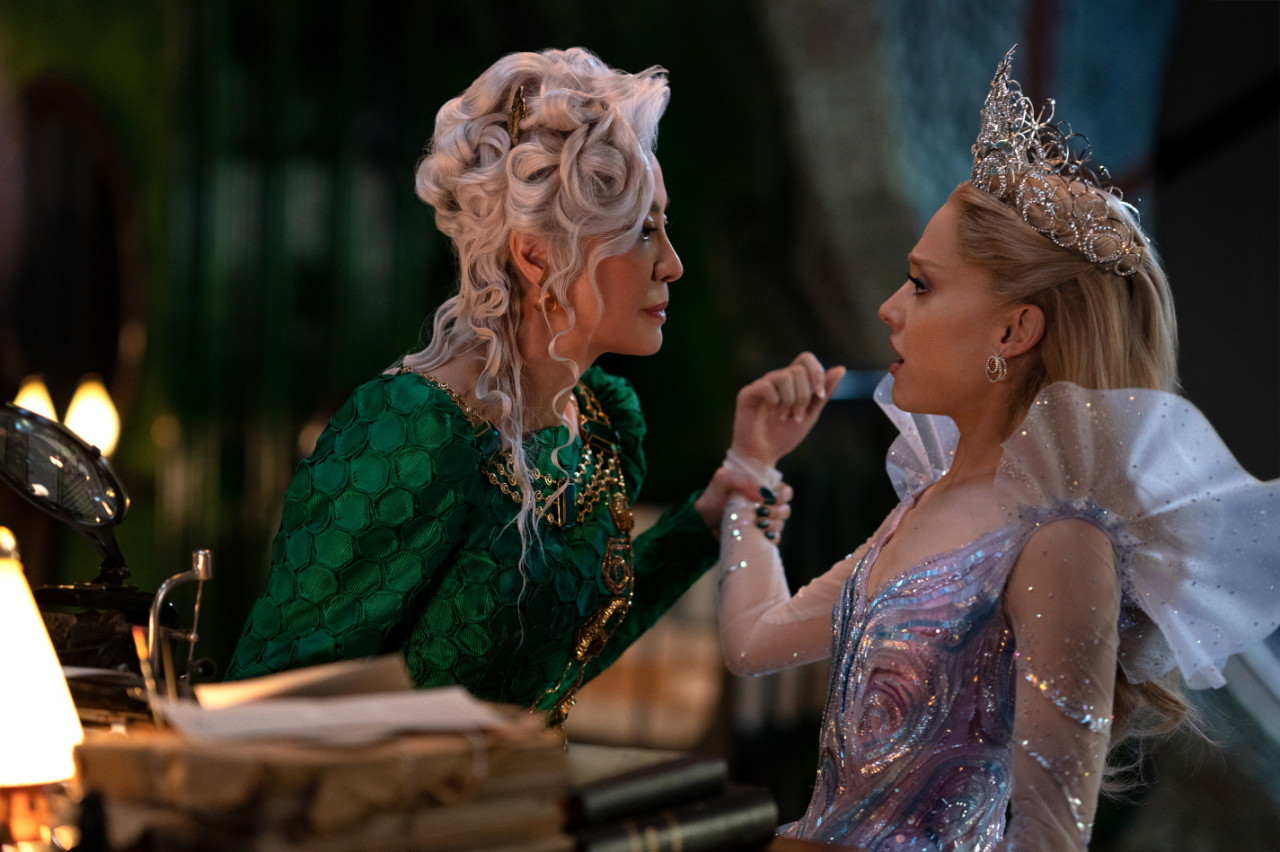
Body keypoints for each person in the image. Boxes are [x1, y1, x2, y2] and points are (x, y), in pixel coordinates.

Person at [715, 48, 1280, 850]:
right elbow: (753, 642)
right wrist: (751, 471)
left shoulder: (1061, 541)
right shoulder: (927, 500)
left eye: (921, 284)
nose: (888, 309)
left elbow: (1052, 837)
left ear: (1014, 330)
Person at [224, 47, 808, 726]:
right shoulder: (412, 429)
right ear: (536, 254)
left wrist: (709, 514)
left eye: (663, 226)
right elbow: (272, 701)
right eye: (640, 231)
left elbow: (568, 645)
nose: (672, 265)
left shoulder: (599, 424)